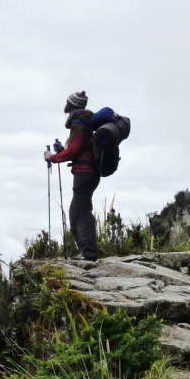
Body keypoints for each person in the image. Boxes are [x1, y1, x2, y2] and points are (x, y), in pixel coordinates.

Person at [44, 91, 118, 262]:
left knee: (81, 212)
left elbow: (75, 150)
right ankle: (85, 252)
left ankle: (89, 253)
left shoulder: (79, 123)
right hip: (88, 172)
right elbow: (79, 149)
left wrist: (53, 157)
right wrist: (62, 150)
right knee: (75, 212)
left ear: (72, 105)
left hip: (84, 173)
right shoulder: (86, 122)